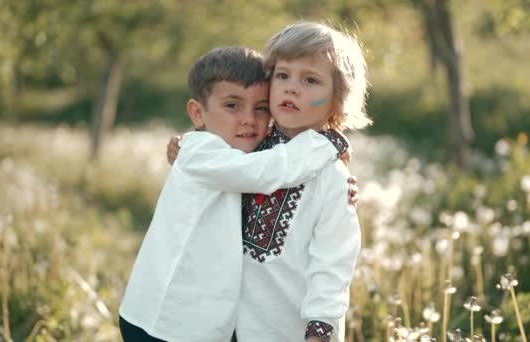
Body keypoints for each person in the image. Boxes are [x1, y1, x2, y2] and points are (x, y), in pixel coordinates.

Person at [119, 46, 347, 342]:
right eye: (232, 106)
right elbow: (266, 171)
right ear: (197, 113)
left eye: (261, 107)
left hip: (204, 326)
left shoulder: (249, 154)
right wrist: (328, 144)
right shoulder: (201, 152)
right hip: (163, 322)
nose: (249, 119)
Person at [166, 22, 371, 342]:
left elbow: (332, 268)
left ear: (337, 99)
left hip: (285, 330)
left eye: (311, 80)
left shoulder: (332, 177)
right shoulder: (248, 146)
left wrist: (319, 331)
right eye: (283, 75)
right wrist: (184, 145)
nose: (291, 88)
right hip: (219, 325)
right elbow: (210, 160)